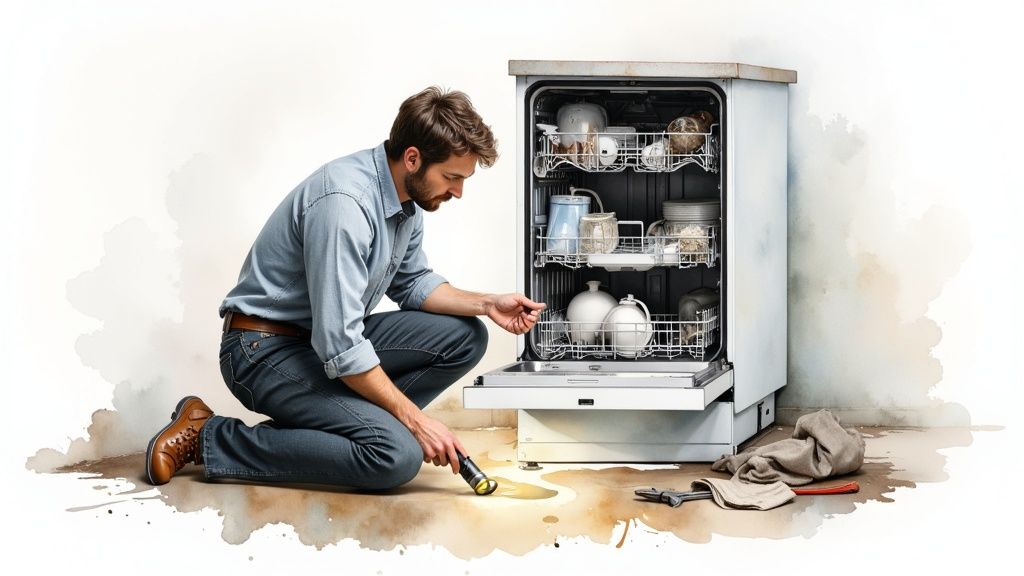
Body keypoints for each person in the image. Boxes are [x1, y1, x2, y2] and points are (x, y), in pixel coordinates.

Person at [144, 86, 545, 489]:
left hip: (316, 345)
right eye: (452, 177)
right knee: (394, 456)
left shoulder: (407, 201)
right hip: (262, 351)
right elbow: (341, 345)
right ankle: (208, 436)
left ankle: (354, 426)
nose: (457, 192)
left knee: (465, 334)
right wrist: (417, 422)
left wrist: (488, 303)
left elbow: (414, 283)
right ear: (413, 158)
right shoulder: (345, 204)